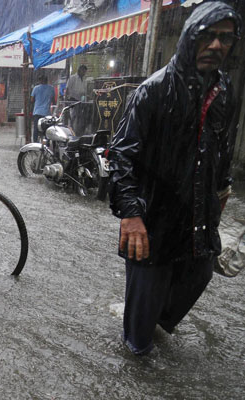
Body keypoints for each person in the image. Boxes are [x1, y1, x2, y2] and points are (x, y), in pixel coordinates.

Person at [108, 1, 241, 356]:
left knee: (200, 276)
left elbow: (221, 145)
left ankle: (155, 324)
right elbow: (121, 155)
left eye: (225, 39)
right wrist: (131, 217)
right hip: (152, 220)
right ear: (189, 38)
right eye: (207, 36)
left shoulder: (223, 90)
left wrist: (222, 190)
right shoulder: (154, 91)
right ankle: (138, 346)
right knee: (137, 343)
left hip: (197, 216)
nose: (216, 46)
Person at [30, 75, 55, 142]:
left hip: (37, 112)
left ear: (40, 81)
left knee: (36, 129)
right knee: (47, 129)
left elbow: (32, 100)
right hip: (46, 113)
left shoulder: (36, 88)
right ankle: (47, 143)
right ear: (47, 80)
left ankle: (35, 142)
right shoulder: (51, 88)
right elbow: (53, 101)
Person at [65, 64, 87, 134]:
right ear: (79, 70)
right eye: (83, 71)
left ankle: (78, 131)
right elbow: (67, 89)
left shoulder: (84, 79)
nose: (84, 73)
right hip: (73, 100)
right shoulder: (73, 78)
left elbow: (84, 91)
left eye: (85, 72)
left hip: (80, 100)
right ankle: (71, 131)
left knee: (79, 117)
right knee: (73, 117)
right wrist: (66, 101)